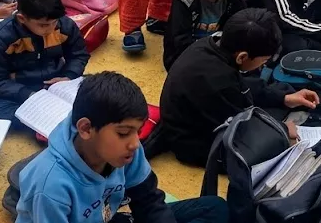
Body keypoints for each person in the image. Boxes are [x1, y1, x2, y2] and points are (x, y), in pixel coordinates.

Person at [16, 71, 229, 223]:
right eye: (123, 133)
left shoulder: (126, 150)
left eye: (137, 131)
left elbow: (148, 201)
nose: (136, 143)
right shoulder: (50, 186)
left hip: (110, 216)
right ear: (86, 129)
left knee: (214, 208)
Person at [155, 9, 319, 166]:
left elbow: (241, 85)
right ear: (243, 57)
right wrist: (282, 130)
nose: (263, 65)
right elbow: (242, 127)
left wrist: (284, 98)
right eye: (263, 61)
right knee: (282, 147)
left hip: (198, 118)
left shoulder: (210, 45)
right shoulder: (219, 80)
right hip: (193, 144)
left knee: (280, 106)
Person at [0, 0, 90, 132]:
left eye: (54, 22)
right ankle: (53, 124)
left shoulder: (65, 25)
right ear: (21, 18)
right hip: (25, 87)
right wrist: (27, 94)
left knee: (97, 89)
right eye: (43, 25)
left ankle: (55, 121)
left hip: (59, 82)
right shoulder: (0, 38)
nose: (51, 28)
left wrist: (69, 76)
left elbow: (79, 55)